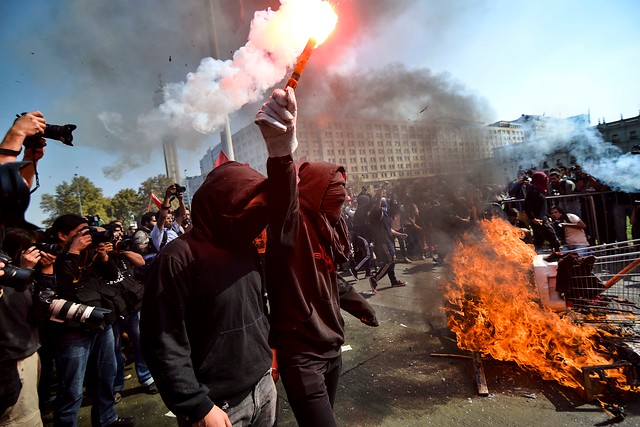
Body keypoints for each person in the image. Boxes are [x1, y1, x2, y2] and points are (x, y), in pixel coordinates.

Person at [256, 87, 378, 427]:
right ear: (314, 192)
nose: (345, 196)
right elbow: (283, 195)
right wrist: (282, 148)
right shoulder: (291, 228)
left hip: (332, 351)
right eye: (336, 190)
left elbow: (329, 278)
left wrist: (359, 306)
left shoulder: (329, 230)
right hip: (301, 356)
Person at [140, 161, 277, 427]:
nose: (255, 216)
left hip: (263, 386)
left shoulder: (245, 247)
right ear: (222, 205)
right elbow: (162, 341)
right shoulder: (177, 258)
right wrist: (197, 405)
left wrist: (269, 358)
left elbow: (257, 310)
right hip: (217, 406)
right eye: (248, 207)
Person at [50, 215, 134, 427]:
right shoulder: (52, 256)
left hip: (100, 321)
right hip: (72, 330)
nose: (87, 236)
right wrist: (72, 253)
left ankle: (107, 419)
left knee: (106, 376)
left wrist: (104, 257)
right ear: (62, 235)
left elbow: (114, 278)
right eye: (81, 232)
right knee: (72, 388)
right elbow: (63, 289)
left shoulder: (89, 255)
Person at [368, 190, 407, 293]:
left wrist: (400, 234)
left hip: (388, 240)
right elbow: (377, 206)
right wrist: (380, 193)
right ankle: (374, 279)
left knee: (392, 261)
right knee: (390, 260)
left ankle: (393, 281)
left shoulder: (385, 215)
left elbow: (388, 229)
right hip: (383, 241)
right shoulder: (377, 213)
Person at [524, 172, 561, 258]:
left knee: (538, 243)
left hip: (542, 219)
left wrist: (548, 216)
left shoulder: (539, 190)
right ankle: (558, 259)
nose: (547, 180)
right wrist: (533, 219)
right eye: (544, 178)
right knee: (554, 240)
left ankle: (537, 261)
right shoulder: (533, 190)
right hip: (539, 221)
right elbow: (526, 206)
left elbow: (541, 207)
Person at [149, 184, 186, 253]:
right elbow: (163, 216)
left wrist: (180, 199)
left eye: (171, 218)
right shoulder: (157, 232)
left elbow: (182, 215)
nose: (171, 220)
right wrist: (167, 197)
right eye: (168, 218)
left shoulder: (173, 228)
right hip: (167, 259)